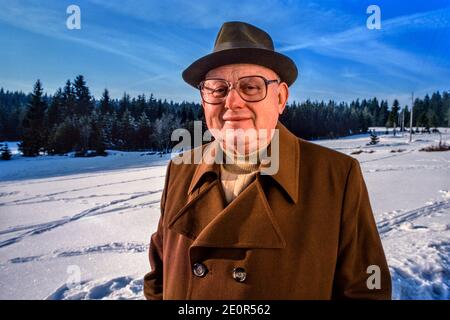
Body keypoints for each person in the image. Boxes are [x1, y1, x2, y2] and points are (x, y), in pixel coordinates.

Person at [143, 21, 391, 300]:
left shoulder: (336, 175)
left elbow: (365, 290)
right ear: (204, 100)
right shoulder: (180, 170)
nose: (232, 102)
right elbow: (158, 279)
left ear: (281, 97)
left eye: (250, 86)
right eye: (217, 89)